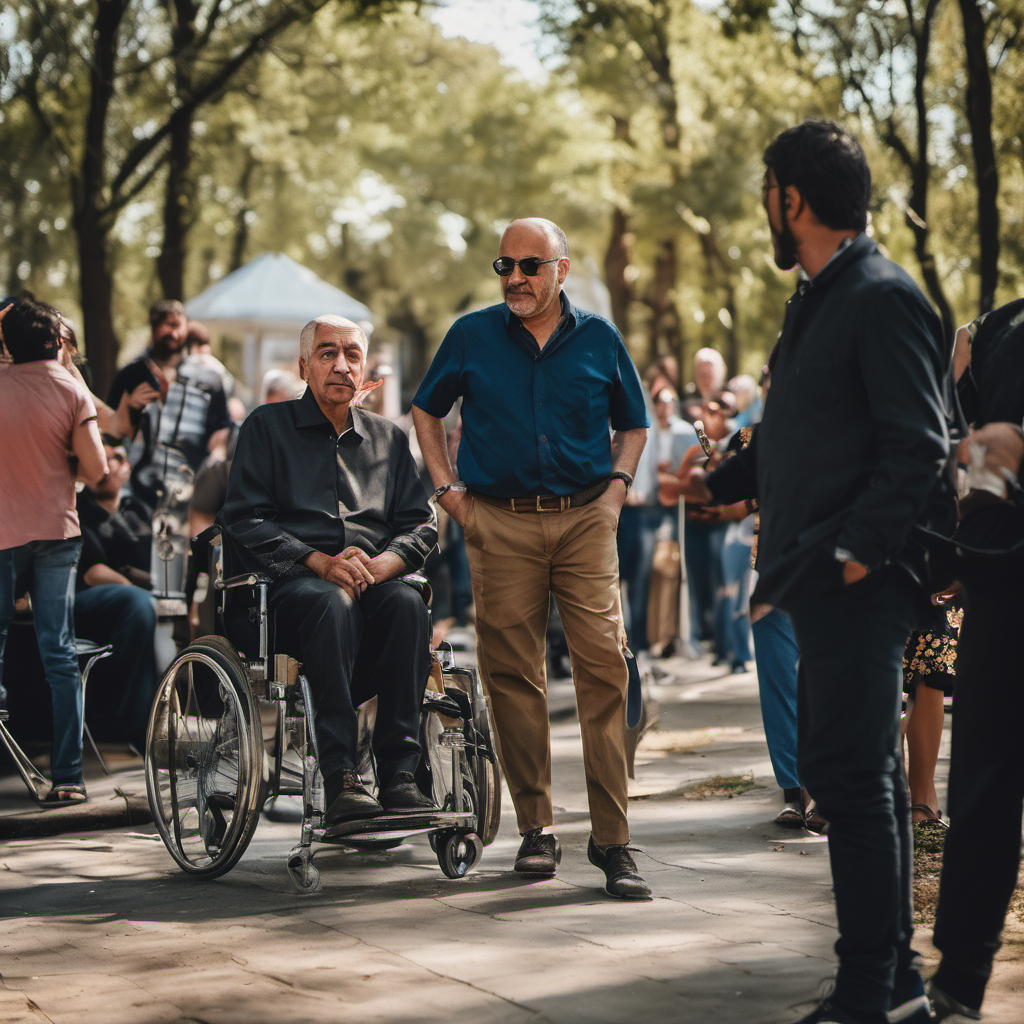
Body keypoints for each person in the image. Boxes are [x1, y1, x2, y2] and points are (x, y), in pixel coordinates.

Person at [678, 121, 949, 1024]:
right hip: (817, 584)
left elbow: (918, 447)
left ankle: (875, 988)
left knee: (854, 783)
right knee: (849, 779)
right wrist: (718, 482)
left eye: (768, 192)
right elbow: (795, 434)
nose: (765, 207)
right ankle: (894, 985)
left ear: (792, 199)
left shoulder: (881, 296)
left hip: (858, 590)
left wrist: (852, 556)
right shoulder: (815, 301)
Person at [411, 217, 652, 900]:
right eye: (504, 266)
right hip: (500, 523)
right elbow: (426, 413)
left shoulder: (600, 338)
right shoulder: (471, 335)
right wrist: (449, 494)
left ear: (561, 270)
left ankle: (613, 841)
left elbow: (633, 423)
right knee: (513, 676)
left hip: (584, 521)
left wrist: (614, 495)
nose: (514, 278)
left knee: (604, 667)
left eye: (529, 266)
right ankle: (536, 829)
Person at [219, 314, 438, 831]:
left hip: (372, 585)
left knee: (407, 603)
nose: (341, 364)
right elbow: (243, 518)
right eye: (327, 353)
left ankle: (400, 774)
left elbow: (422, 523)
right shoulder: (265, 427)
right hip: (287, 593)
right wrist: (318, 561)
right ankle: (341, 776)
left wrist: (387, 563)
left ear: (364, 368)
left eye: (352, 355)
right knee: (329, 600)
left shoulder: (388, 438)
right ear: (303, 366)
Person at [928, 299, 1024, 1023]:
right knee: (984, 787)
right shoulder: (999, 328)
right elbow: (954, 445)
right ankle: (959, 978)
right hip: (998, 586)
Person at [0, 299, 108, 805]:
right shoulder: (71, 390)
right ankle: (68, 777)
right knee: (59, 656)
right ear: (59, 341)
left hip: (2, 534)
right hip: (55, 533)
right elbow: (97, 470)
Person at [74, 437, 159, 751]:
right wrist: (140, 588)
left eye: (116, 459)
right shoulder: (79, 508)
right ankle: (138, 727)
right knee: (140, 606)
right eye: (101, 457)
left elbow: (159, 559)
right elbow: (93, 572)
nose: (107, 466)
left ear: (128, 468)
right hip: (86, 600)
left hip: (136, 603)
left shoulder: (138, 510)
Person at [108, 300, 232, 508]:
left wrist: (215, 461)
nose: (173, 333)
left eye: (178, 326)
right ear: (154, 327)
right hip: (136, 490)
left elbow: (221, 429)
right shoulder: (132, 374)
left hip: (190, 490)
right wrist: (130, 407)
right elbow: (110, 429)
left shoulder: (208, 379)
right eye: (167, 325)